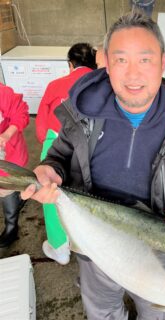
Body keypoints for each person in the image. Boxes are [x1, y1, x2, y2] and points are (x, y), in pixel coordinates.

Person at [22, 10, 165, 320]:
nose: (133, 75)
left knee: (158, 313)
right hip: (93, 244)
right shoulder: (82, 111)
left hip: (159, 255)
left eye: (145, 60)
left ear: (163, 62)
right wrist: (50, 169)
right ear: (105, 63)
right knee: (102, 310)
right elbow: (59, 155)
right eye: (121, 60)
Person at [35, 43, 97, 265]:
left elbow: (41, 124)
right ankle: (87, 245)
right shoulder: (104, 84)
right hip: (94, 143)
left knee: (51, 192)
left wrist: (47, 143)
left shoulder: (55, 85)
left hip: (56, 142)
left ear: (70, 64)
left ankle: (60, 248)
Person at [0, 83, 29, 253]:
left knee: (6, 189)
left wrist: (6, 135)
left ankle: (11, 227)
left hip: (8, 154)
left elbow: (21, 113)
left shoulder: (2, 92)